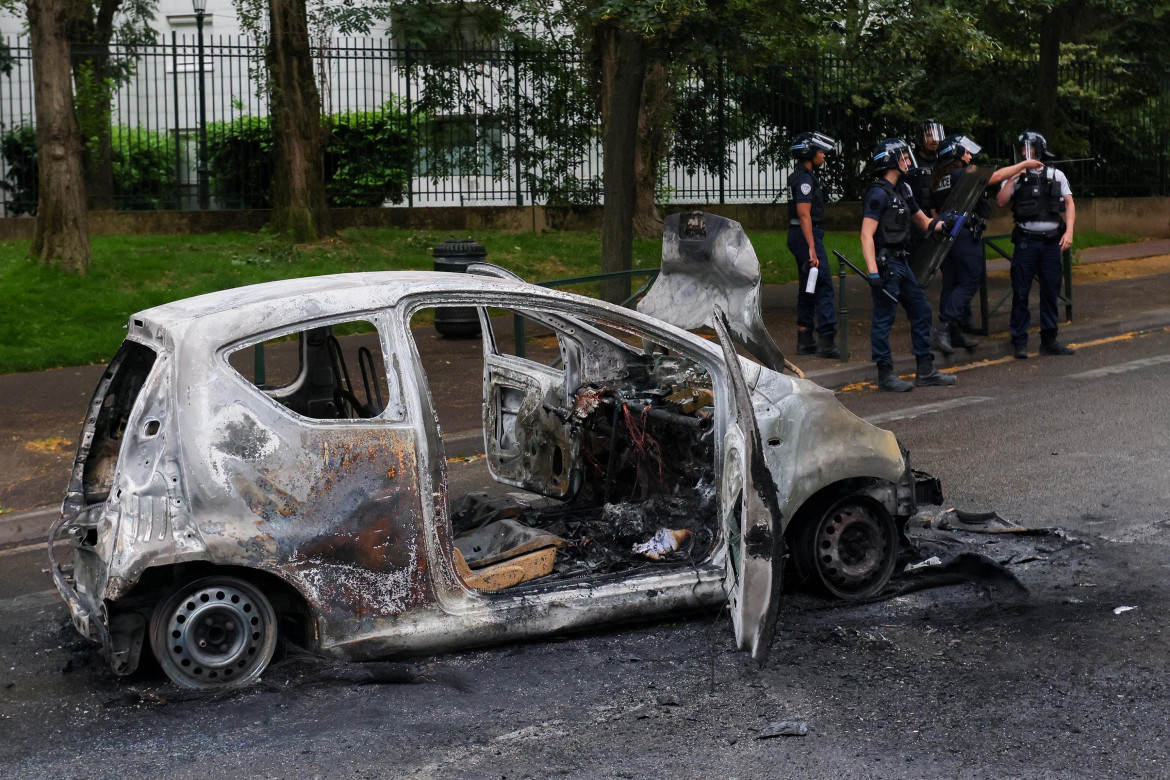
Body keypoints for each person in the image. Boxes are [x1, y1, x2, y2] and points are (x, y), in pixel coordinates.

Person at [929, 134, 1045, 354]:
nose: (970, 156)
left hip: (946, 234)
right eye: (966, 152)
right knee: (970, 280)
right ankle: (944, 326)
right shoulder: (959, 173)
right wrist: (1024, 164)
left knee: (952, 283)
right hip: (963, 233)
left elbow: (935, 212)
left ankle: (954, 333)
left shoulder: (939, 179)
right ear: (955, 155)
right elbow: (995, 176)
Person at [861, 138, 956, 392]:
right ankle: (885, 374)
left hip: (903, 263)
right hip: (886, 264)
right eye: (902, 156)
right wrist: (872, 271)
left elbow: (925, 223)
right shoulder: (878, 193)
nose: (907, 160)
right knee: (884, 319)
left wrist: (946, 222)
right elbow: (866, 234)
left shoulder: (903, 189)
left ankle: (925, 370)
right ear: (890, 161)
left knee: (922, 311)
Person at [995, 131, 1077, 358]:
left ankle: (1049, 340)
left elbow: (1069, 203)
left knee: (1051, 290)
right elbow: (1001, 201)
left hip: (1051, 243)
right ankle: (1019, 341)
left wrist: (1069, 232)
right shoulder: (1014, 174)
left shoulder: (1056, 174)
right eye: (1021, 148)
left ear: (1039, 149)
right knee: (1021, 291)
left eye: (1028, 147)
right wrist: (1014, 175)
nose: (1023, 151)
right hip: (1026, 243)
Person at [787, 131, 839, 359]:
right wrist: (811, 247)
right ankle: (827, 341)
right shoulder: (805, 179)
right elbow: (804, 214)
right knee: (824, 284)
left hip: (798, 234)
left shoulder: (800, 176)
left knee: (808, 285)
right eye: (820, 151)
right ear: (808, 153)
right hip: (806, 234)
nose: (824, 155)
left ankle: (805, 337)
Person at [904, 119, 945, 209]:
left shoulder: (943, 163)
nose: (934, 139)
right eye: (930, 135)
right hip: (916, 216)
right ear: (921, 138)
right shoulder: (910, 162)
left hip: (939, 216)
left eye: (937, 135)